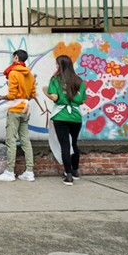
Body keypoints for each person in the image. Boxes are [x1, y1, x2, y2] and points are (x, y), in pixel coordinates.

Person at [0, 49, 37, 182]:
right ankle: (29, 172)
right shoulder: (29, 74)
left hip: (14, 110)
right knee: (25, 140)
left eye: (13, 57)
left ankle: (10, 171)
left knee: (10, 140)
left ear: (16, 58)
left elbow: (12, 95)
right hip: (25, 110)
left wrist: (0, 97)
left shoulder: (13, 73)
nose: (12, 59)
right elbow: (32, 95)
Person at [43, 55, 86, 186]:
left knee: (65, 145)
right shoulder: (79, 80)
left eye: (56, 64)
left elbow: (55, 98)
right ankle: (75, 171)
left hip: (60, 116)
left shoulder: (55, 79)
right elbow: (82, 100)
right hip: (75, 116)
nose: (55, 66)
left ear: (60, 65)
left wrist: (45, 92)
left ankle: (68, 175)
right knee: (74, 143)